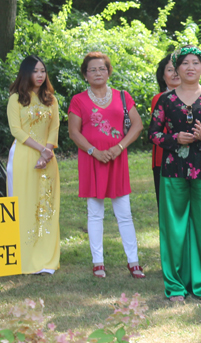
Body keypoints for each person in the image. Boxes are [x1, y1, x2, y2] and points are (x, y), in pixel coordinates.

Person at [148, 45, 201, 302]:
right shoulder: (165, 100)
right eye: (185, 63)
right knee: (174, 227)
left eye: (195, 63)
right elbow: (153, 133)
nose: (190, 67)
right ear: (177, 68)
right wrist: (175, 139)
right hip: (172, 171)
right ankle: (175, 286)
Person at [68, 51, 145, 279]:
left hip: (116, 159)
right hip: (92, 160)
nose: (97, 72)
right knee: (95, 213)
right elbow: (74, 132)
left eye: (102, 68)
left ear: (109, 71)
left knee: (124, 213)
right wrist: (94, 151)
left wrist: (119, 147)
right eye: (92, 69)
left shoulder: (123, 96)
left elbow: (137, 126)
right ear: (85, 74)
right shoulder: (78, 100)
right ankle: (98, 262)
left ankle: (133, 262)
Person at [6, 55, 60, 275]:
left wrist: (47, 152)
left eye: (43, 71)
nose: (40, 75)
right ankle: (22, 258)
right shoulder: (16, 99)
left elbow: (54, 128)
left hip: (47, 160)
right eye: (35, 71)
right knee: (23, 204)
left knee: (46, 207)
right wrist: (41, 150)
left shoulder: (51, 100)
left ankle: (45, 258)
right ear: (26, 73)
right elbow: (16, 130)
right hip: (24, 156)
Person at [151, 54, 181, 206]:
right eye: (170, 70)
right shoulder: (159, 99)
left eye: (177, 69)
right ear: (163, 76)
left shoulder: (200, 97)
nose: (175, 73)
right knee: (167, 206)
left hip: (191, 158)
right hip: (164, 159)